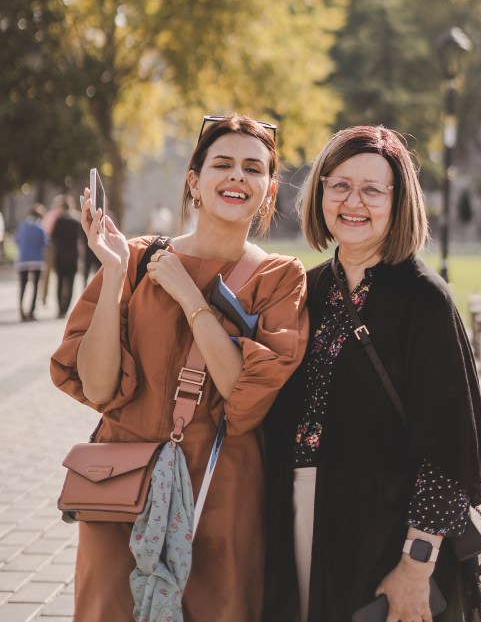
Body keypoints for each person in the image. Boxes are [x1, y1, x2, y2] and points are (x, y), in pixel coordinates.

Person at [51, 114, 308, 622]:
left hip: (220, 487)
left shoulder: (279, 277)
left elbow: (243, 394)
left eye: (253, 168)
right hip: (120, 483)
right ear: (194, 180)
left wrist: (192, 298)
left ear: (269, 189)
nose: (237, 176)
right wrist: (115, 273)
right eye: (223, 164)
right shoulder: (136, 259)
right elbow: (99, 388)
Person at [262, 125, 481, 622]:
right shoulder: (309, 289)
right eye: (340, 185)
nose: (354, 202)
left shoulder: (425, 301)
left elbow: (450, 451)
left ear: (398, 202)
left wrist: (415, 567)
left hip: (387, 534)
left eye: (372, 190)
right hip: (300, 518)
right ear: (320, 192)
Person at [51, 196, 83, 318]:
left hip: (60, 256)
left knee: (59, 282)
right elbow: (82, 240)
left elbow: (53, 237)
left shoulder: (59, 221)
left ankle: (60, 307)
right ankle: (66, 308)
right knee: (71, 283)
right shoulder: (77, 221)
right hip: (73, 257)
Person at [15, 204, 46, 321]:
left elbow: (17, 240)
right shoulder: (40, 228)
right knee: (35, 286)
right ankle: (31, 311)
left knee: (23, 285)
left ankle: (21, 310)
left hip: (23, 259)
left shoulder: (22, 226)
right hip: (36, 260)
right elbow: (44, 243)